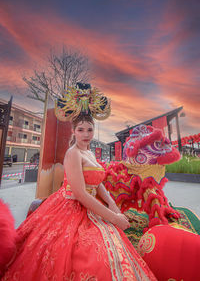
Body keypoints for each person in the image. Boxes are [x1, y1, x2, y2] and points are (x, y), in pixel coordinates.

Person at [0, 83, 156, 280]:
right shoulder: (73, 153)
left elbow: (98, 183)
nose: (85, 134)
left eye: (89, 130)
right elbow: (81, 193)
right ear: (73, 131)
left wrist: (112, 203)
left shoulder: (89, 152)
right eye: (81, 130)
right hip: (71, 206)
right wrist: (113, 217)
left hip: (91, 205)